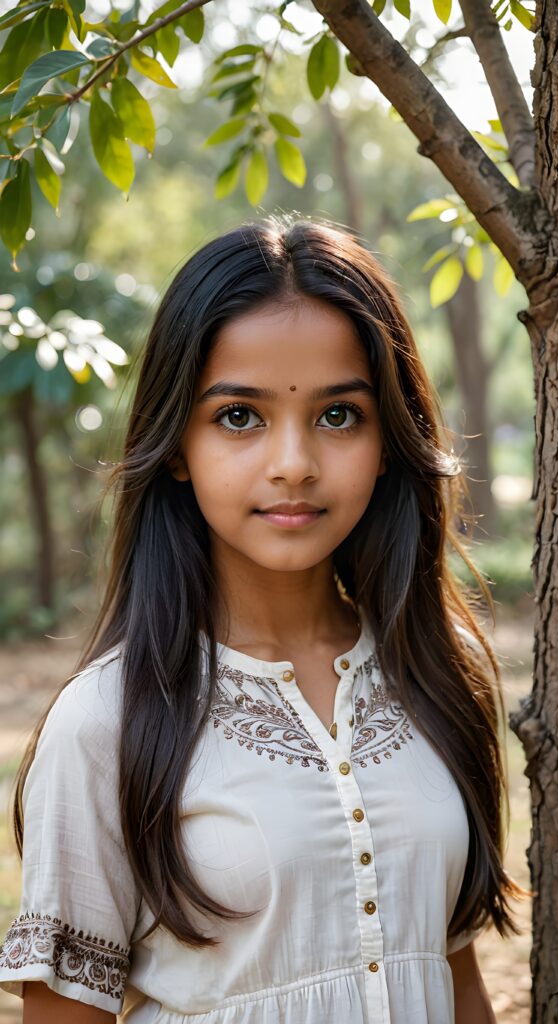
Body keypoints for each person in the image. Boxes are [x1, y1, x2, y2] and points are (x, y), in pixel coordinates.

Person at [0, 217, 528, 1023]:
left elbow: (456, 984)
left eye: (339, 415)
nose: (293, 462)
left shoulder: (434, 672)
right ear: (177, 444)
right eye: (239, 416)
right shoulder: (108, 722)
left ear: (389, 438)